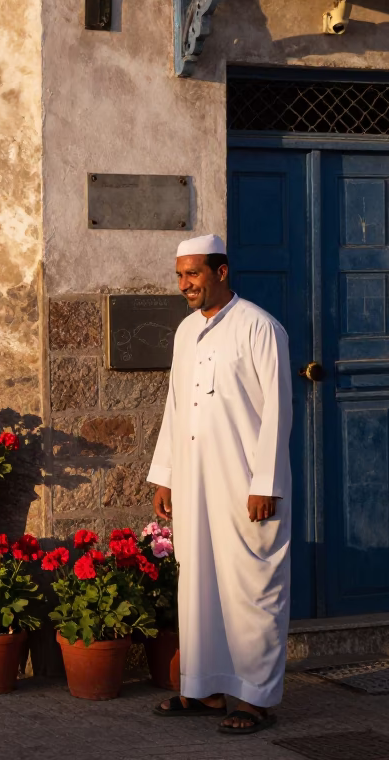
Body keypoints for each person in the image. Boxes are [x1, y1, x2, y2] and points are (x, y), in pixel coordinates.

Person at [147, 234, 292, 736]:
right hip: (194, 481)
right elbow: (173, 406)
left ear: (221, 272)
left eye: (194, 274)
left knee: (252, 587)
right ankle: (202, 690)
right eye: (180, 275)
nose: (185, 284)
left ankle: (255, 700)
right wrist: (165, 475)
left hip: (245, 486)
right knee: (198, 584)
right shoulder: (186, 332)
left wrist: (266, 483)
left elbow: (277, 412)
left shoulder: (260, 328)